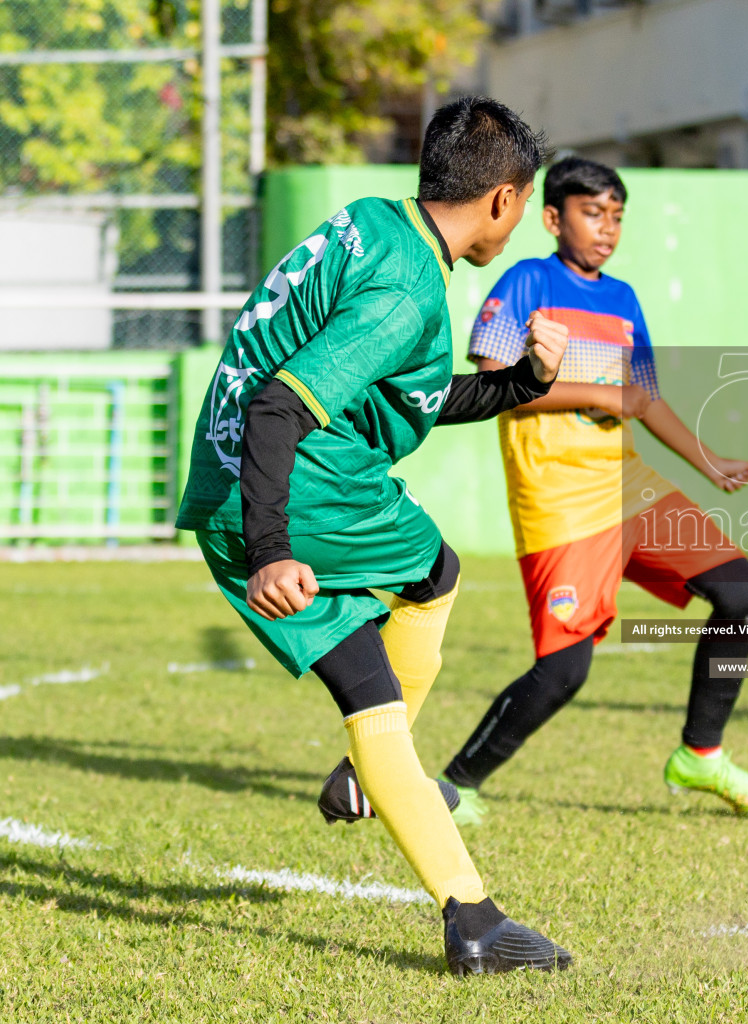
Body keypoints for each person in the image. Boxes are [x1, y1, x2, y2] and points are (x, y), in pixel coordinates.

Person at [175, 96, 576, 974]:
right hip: (292, 485)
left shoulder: (375, 227)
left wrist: (515, 384)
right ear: (504, 201)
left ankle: (412, 833)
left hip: (239, 482)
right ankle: (466, 912)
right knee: (431, 572)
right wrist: (274, 548)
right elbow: (282, 405)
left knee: (384, 662)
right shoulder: (408, 290)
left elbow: (411, 397)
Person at [441, 157, 748, 817]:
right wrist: (600, 391)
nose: (607, 229)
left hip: (630, 485)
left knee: (743, 593)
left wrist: (708, 461)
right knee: (565, 672)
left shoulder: (622, 299)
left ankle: (699, 757)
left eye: (617, 216)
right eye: (592, 213)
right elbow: (490, 382)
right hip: (558, 496)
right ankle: (456, 784)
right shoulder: (525, 281)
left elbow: (642, 399)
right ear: (551, 218)